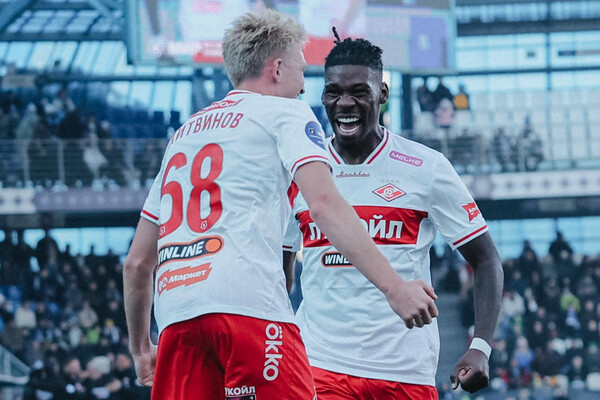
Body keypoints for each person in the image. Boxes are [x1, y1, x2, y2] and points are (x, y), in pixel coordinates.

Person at [124, 10, 438, 400]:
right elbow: (324, 204)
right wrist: (395, 288)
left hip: (176, 316)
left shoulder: (183, 136)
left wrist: (141, 348)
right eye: (301, 70)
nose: (303, 85)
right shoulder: (286, 113)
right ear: (276, 69)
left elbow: (137, 262)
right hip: (248, 309)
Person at [283, 35, 503, 398]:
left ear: (382, 94)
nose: (345, 103)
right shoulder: (302, 171)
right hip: (319, 365)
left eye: (359, 91)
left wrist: (480, 345)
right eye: (334, 92)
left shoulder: (425, 167)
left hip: (404, 370)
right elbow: (281, 269)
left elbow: (486, 258)